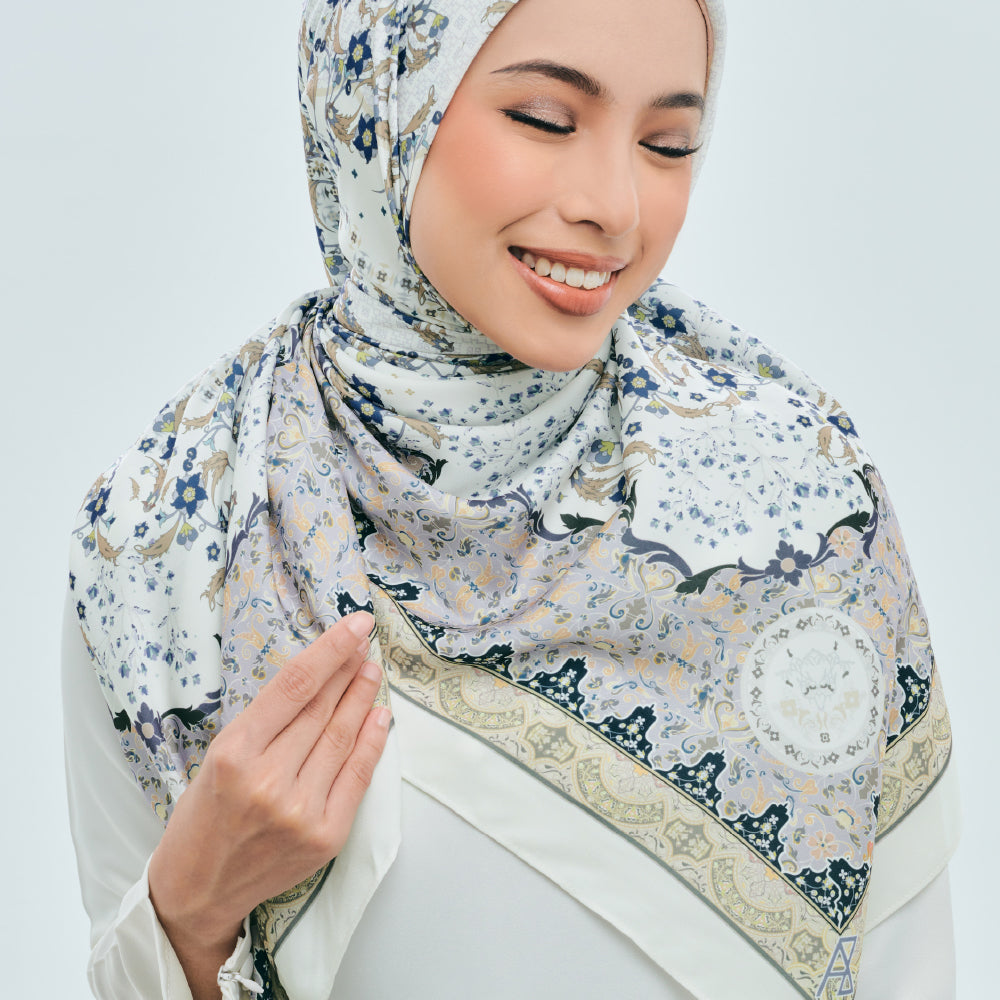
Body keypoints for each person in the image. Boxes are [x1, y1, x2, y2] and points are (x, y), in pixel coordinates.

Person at [63, 1, 959, 998]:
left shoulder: (803, 502)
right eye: (544, 118)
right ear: (383, 100)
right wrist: (186, 915)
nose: (616, 205)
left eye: (668, 143)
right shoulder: (175, 533)